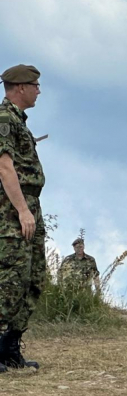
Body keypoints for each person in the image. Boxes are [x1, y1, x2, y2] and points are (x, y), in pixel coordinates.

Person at [0, 64, 45, 372]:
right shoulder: (4, 119)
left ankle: (9, 348)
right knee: (10, 280)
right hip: (12, 211)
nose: (38, 91)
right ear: (20, 88)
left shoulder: (18, 121)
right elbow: (4, 168)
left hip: (30, 205)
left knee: (33, 279)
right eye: (35, 85)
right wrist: (22, 210)